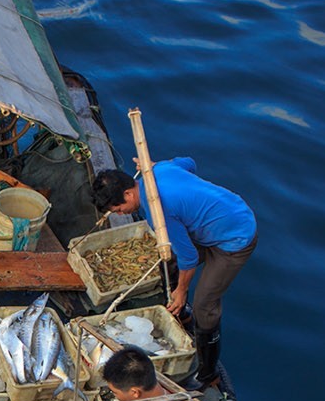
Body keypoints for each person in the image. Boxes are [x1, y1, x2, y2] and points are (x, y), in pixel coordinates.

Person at [91, 158, 257, 388]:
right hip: (219, 217)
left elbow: (188, 257)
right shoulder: (159, 169)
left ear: (129, 194)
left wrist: (181, 290)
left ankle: (208, 374)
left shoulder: (159, 211)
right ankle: (182, 313)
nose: (120, 213)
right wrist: (154, 163)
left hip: (234, 238)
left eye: (118, 209)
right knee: (168, 261)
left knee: (205, 304)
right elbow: (190, 163)